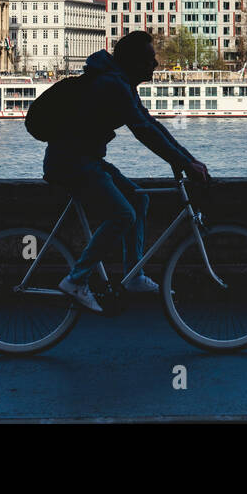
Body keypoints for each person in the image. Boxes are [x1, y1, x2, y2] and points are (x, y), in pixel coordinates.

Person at [44, 31, 209, 313]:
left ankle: (133, 276)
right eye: (149, 58)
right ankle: (76, 279)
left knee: (137, 199)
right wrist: (183, 163)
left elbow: (151, 124)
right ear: (133, 62)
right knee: (122, 214)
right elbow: (143, 131)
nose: (155, 64)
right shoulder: (113, 85)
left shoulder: (122, 84)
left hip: (85, 158)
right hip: (72, 162)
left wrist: (187, 159)